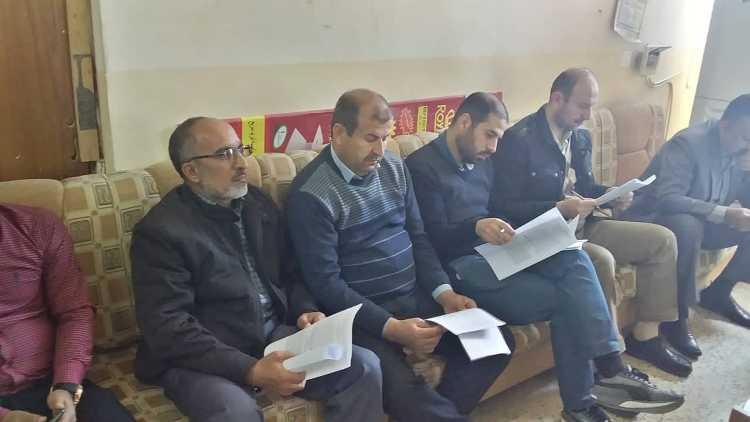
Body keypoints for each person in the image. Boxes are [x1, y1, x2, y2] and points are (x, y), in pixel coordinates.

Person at [406, 92, 684, 422]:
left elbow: (500, 207)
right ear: (464, 122)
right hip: (460, 268)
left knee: (574, 257)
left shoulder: (482, 161)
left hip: (497, 252)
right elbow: (428, 238)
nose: (494, 147)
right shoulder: (421, 167)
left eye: (498, 138)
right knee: (567, 298)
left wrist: (532, 226)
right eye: (489, 135)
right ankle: (585, 400)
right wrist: (476, 226)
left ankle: (610, 367)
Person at [130, 117, 384, 422]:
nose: (242, 164)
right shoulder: (160, 232)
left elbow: (290, 271)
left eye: (241, 150)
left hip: (272, 336)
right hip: (202, 356)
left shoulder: (255, 202)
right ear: (192, 171)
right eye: (225, 154)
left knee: (364, 366)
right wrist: (249, 369)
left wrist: (305, 309)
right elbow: (168, 327)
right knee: (234, 413)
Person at [286, 89, 513, 422]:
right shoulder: (311, 194)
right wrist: (391, 328)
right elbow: (326, 284)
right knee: (406, 391)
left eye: (385, 138)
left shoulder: (393, 166)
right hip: (360, 317)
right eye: (370, 138)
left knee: (495, 342)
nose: (379, 150)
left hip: (413, 297)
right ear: (338, 133)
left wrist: (444, 293)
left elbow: (418, 237)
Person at [490, 69, 692, 376]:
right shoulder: (519, 140)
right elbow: (503, 207)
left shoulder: (580, 137)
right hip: (546, 235)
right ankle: (608, 361)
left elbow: (585, 187)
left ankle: (647, 337)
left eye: (591, 107)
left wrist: (611, 195)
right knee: (601, 259)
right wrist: (558, 208)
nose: (587, 115)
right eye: (582, 106)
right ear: (557, 99)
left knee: (662, 240)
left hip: (585, 224)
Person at [622, 93, 750, 356]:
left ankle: (719, 293)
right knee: (687, 226)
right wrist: (724, 213)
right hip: (655, 219)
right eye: (746, 138)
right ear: (725, 125)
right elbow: (668, 199)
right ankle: (676, 318)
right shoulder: (688, 145)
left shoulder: (738, 150)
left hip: (702, 220)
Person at [0, 204, 134, 422]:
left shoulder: (37, 227)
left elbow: (74, 312)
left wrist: (66, 385)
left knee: (104, 412)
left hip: (49, 383)